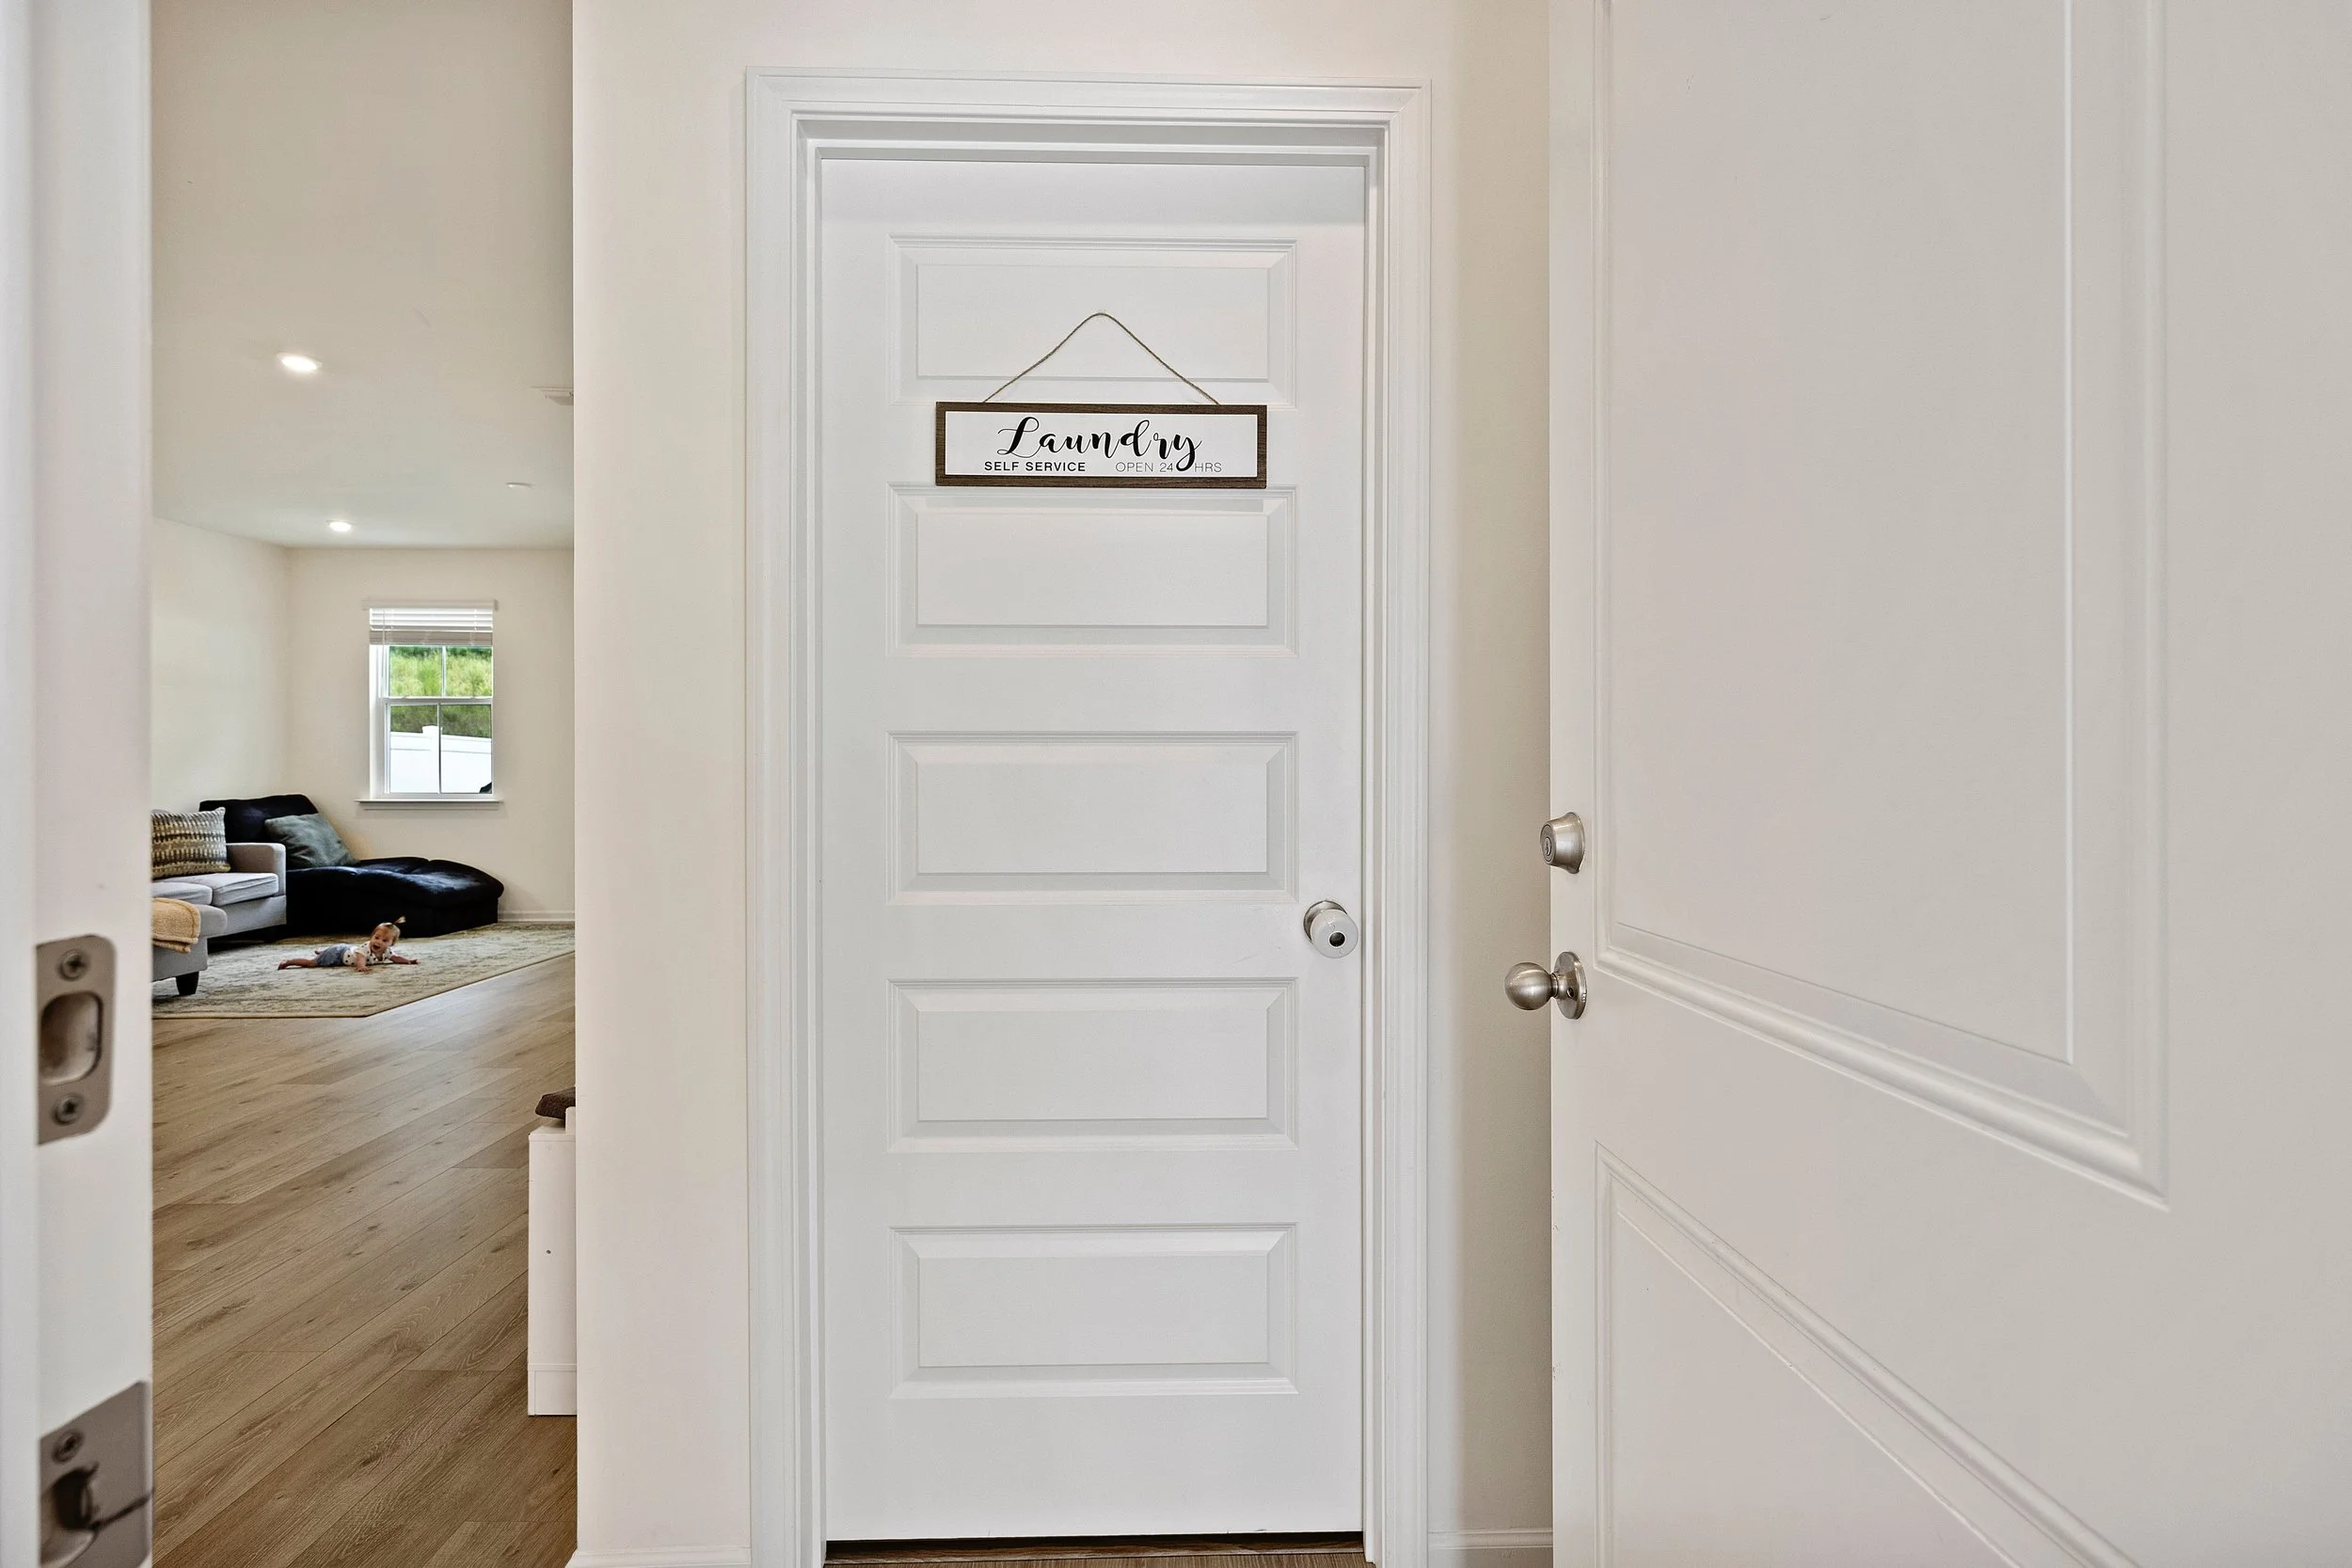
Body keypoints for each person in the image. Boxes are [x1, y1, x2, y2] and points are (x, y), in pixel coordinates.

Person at [278, 920, 419, 973]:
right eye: (376, 937)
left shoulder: (387, 951)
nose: (378, 942)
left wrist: (407, 961)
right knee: (311, 963)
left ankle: (322, 951)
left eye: (385, 940)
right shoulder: (365, 947)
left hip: (345, 950)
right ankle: (289, 962)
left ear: (391, 943)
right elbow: (361, 957)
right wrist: (360, 966)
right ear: (372, 936)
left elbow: (395, 958)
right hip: (338, 955)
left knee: (325, 954)